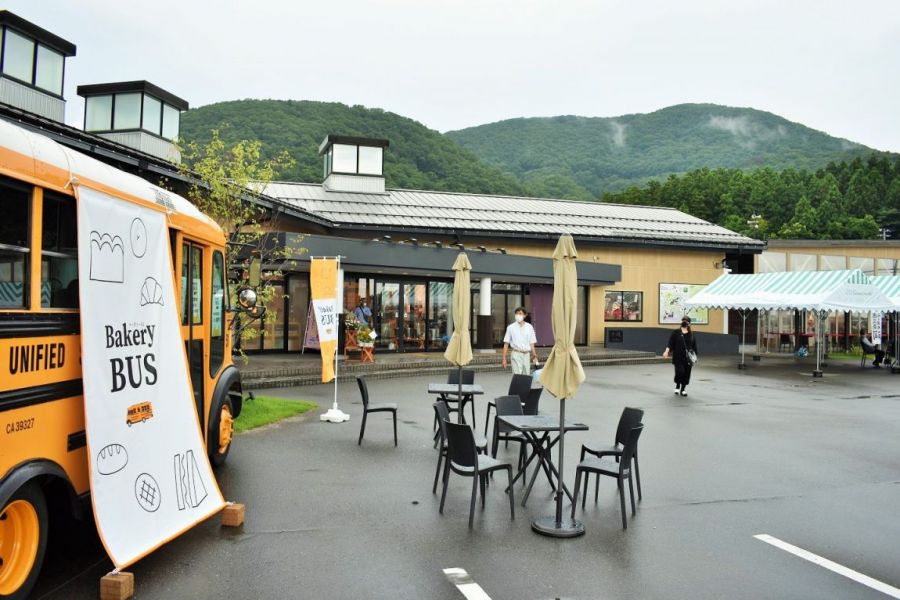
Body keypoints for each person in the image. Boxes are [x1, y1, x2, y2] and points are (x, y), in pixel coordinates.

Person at [663, 316, 698, 396]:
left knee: (687, 373)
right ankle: (678, 385)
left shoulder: (691, 334)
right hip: (678, 357)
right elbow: (670, 343)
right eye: (683, 320)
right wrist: (666, 351)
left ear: (689, 323)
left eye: (686, 321)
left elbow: (694, 346)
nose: (684, 322)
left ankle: (683, 389)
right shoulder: (676, 332)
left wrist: (694, 357)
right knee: (680, 372)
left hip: (688, 358)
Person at [502, 307, 538, 375]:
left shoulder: (529, 327)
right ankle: (517, 385)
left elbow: (531, 343)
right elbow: (506, 344)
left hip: (526, 354)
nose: (518, 315)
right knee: (517, 375)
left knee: (526, 374)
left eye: (520, 313)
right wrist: (504, 358)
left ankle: (525, 386)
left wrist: (534, 354)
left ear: (525, 315)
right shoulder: (511, 327)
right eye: (516, 314)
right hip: (516, 353)